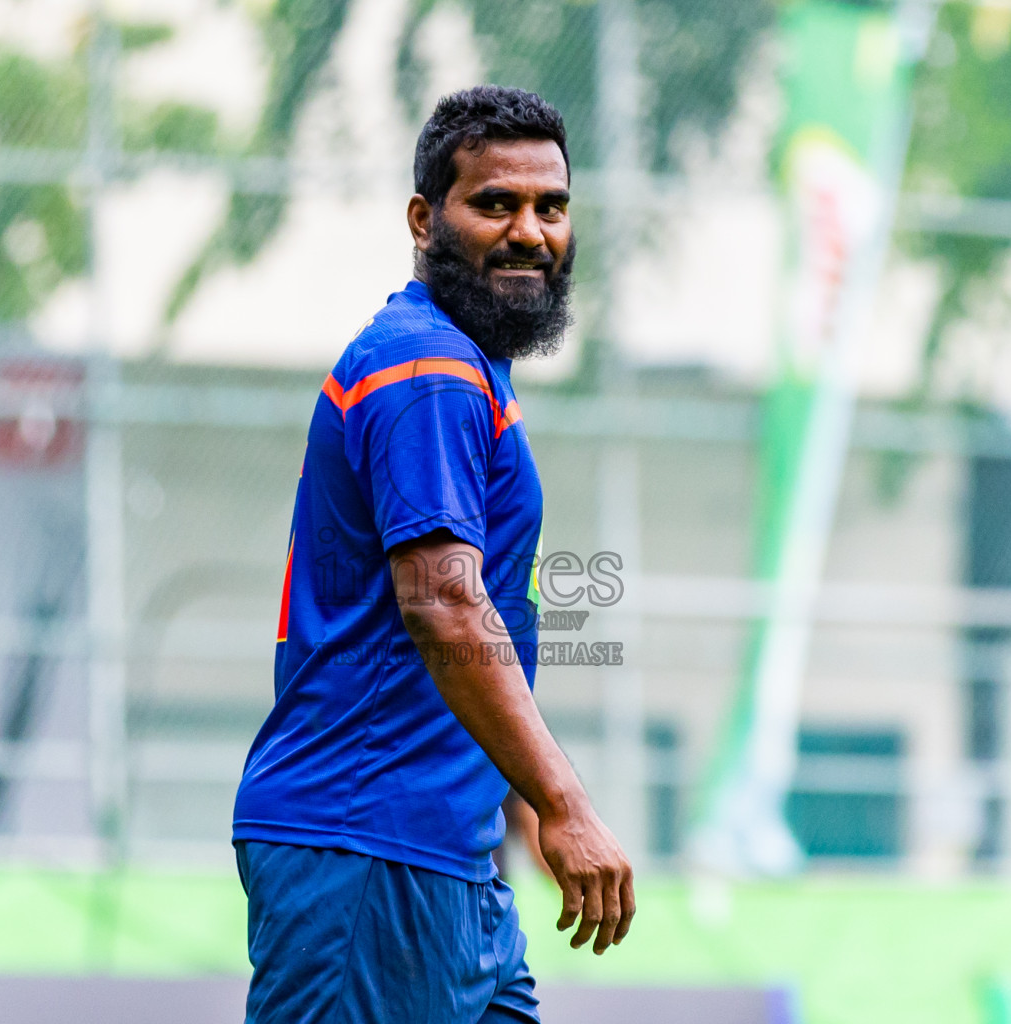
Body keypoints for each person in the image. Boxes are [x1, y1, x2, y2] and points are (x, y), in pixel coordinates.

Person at [232, 85, 636, 1024]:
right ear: (425, 219)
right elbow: (445, 604)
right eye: (495, 203)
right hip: (370, 845)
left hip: (447, 854)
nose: (530, 230)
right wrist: (561, 804)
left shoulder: (462, 363)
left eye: (552, 206)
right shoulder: (427, 372)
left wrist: (516, 804)